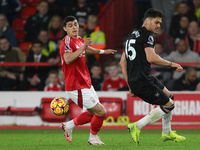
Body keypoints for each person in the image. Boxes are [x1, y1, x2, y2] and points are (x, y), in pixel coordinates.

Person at [119, 8, 186, 146]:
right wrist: (172, 64)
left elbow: (122, 63)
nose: (159, 26)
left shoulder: (132, 35)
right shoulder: (148, 35)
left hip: (142, 78)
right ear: (148, 20)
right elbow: (151, 57)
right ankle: (137, 126)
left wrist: (129, 84)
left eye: (160, 23)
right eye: (156, 22)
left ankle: (167, 133)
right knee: (169, 105)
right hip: (142, 80)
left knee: (170, 97)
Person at [59, 16, 116, 145]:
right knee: (101, 111)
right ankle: (92, 138)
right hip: (75, 85)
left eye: (75, 24)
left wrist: (102, 51)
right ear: (64, 28)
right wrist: (83, 46)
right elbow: (68, 59)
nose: (74, 27)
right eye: (70, 25)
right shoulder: (66, 41)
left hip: (85, 83)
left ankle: (68, 126)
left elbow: (87, 49)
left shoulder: (79, 40)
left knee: (93, 113)